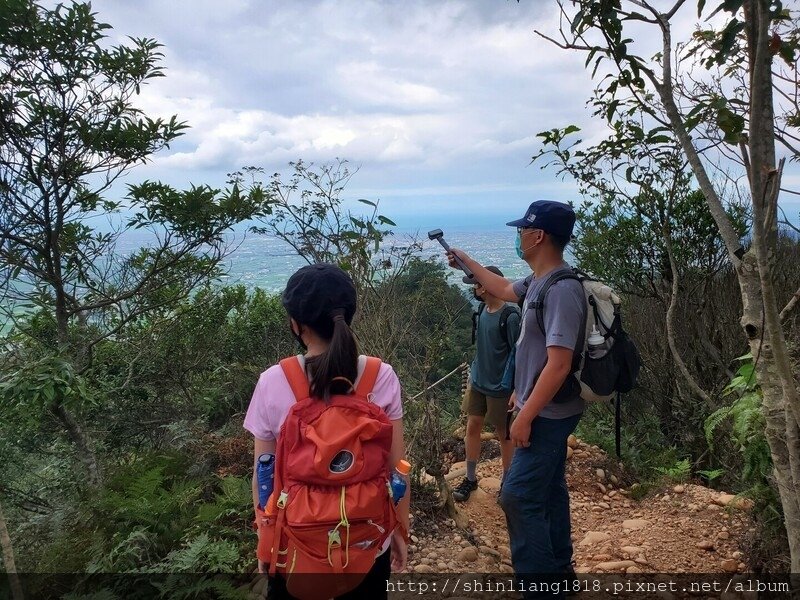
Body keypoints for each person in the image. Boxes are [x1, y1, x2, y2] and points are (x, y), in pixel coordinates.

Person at [446, 200, 586, 598]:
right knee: (550, 490)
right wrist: (467, 262)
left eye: (523, 230)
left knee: (518, 497)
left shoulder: (561, 290)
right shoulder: (539, 281)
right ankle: (560, 573)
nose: (518, 236)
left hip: (548, 414)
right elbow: (503, 288)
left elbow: (558, 365)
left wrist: (525, 416)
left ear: (538, 236)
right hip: (541, 407)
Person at [244, 263, 409, 600]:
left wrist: (265, 539)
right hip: (367, 541)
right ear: (348, 316)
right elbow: (398, 469)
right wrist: (400, 531)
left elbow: (264, 473)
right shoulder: (381, 375)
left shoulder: (274, 381)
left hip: (296, 546)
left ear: (296, 324)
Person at [453, 266, 520, 502]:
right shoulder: (481, 310)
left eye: (477, 284)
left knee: (504, 435)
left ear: (489, 285)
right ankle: (470, 479)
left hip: (501, 387)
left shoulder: (509, 317)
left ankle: (508, 483)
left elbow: (518, 354)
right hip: (479, 381)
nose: (475, 289)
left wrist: (517, 389)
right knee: (473, 426)